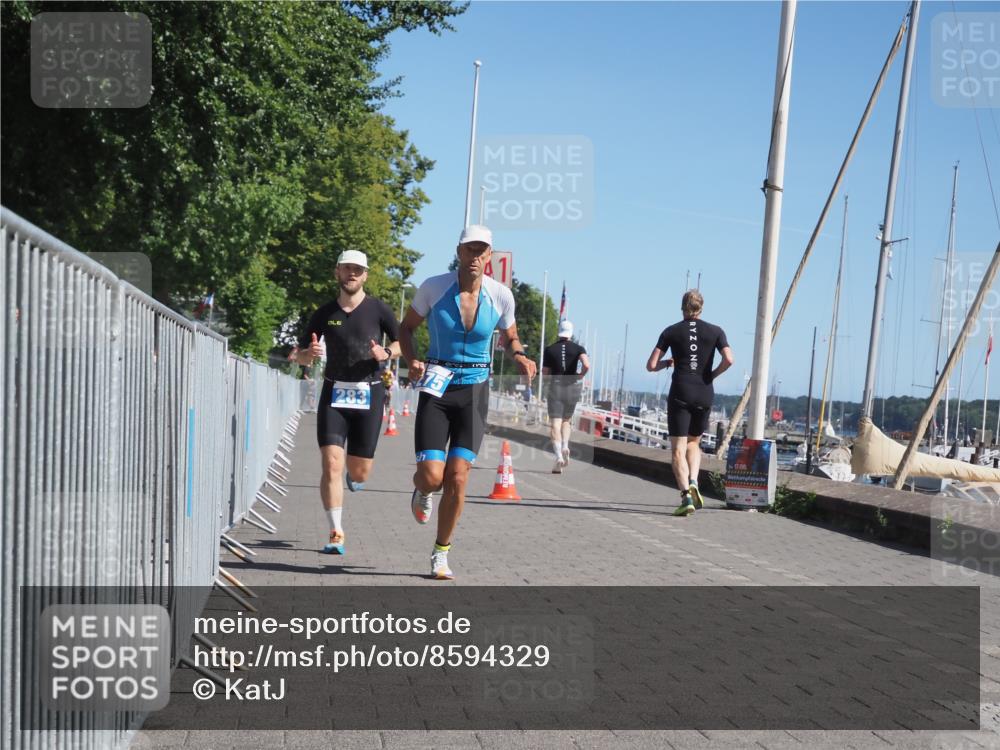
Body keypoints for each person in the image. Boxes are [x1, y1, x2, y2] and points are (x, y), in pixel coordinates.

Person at [399, 224, 536, 579]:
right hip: (437, 387)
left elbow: (510, 334)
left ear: (489, 256)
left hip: (474, 392)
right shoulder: (434, 287)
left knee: (458, 477)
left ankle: (441, 552)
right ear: (459, 252)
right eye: (469, 249)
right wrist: (411, 360)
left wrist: (520, 355)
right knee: (433, 477)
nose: (475, 256)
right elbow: (406, 328)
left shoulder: (501, 294)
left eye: (482, 251)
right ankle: (421, 490)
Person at [295, 250, 401, 554]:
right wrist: (308, 356)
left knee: (359, 472)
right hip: (334, 393)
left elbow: (401, 343)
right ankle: (336, 532)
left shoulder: (379, 310)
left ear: (365, 275)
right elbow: (301, 353)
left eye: (358, 269)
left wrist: (388, 353)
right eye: (347, 269)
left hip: (369, 393)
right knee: (331, 465)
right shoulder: (325, 312)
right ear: (337, 273)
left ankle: (355, 478)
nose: (352, 274)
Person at [645, 289, 733, 516]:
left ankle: (686, 497)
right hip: (704, 392)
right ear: (701, 308)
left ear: (682, 307)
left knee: (678, 449)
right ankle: (693, 481)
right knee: (694, 442)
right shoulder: (716, 331)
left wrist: (669, 363)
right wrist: (711, 375)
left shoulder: (671, 331)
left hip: (681, 392)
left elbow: (651, 365)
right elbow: (729, 359)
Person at [542, 320, 590, 473]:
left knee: (555, 424)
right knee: (567, 421)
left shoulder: (550, 349)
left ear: (559, 331)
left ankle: (558, 456)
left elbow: (545, 373)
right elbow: (586, 365)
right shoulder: (578, 348)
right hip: (572, 387)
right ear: (571, 333)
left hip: (556, 387)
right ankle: (565, 446)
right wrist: (580, 375)